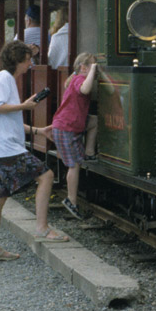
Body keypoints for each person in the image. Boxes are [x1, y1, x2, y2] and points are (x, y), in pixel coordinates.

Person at [0, 40, 67, 263]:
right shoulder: (4, 79)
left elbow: (5, 118)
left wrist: (38, 131)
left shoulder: (3, 79)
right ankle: (42, 227)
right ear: (18, 60)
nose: (31, 63)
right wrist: (25, 106)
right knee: (46, 175)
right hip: (5, 148)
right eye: (28, 59)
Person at [50, 52, 98, 220]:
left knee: (94, 122)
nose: (95, 69)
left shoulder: (75, 77)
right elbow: (85, 89)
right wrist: (92, 71)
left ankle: (90, 152)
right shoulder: (79, 80)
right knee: (74, 165)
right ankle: (71, 200)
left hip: (73, 126)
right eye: (92, 66)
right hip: (67, 127)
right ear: (84, 67)